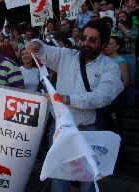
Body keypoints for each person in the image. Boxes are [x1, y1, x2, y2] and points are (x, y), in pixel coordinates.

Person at [27, 19, 124, 192]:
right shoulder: (67, 55)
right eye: (84, 38)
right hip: (60, 130)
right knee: (59, 177)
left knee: (89, 180)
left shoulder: (110, 67)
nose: (86, 43)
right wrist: (35, 44)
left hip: (89, 130)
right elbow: (43, 50)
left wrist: (67, 98)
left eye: (92, 40)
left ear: (103, 44)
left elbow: (103, 97)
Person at [113, 11, 138, 106]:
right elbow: (114, 41)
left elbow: (134, 37)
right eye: (119, 17)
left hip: (129, 56)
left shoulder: (133, 28)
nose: (121, 18)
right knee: (118, 80)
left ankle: (129, 103)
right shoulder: (115, 29)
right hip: (118, 56)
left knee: (130, 80)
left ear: (127, 18)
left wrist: (123, 29)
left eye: (123, 16)